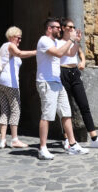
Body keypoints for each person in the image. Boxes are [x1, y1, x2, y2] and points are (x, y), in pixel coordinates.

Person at [35, 18, 89, 160]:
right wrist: (70, 41)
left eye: (60, 27)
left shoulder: (55, 42)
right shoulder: (44, 41)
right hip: (46, 82)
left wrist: (76, 41)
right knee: (47, 115)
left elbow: (71, 54)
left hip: (57, 82)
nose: (59, 29)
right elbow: (59, 54)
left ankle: (72, 144)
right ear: (49, 28)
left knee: (66, 112)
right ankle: (42, 148)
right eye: (57, 27)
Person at [59, 18, 98, 148]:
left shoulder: (73, 42)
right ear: (63, 28)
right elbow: (64, 53)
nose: (72, 29)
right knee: (66, 108)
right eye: (70, 27)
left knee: (84, 105)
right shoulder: (58, 42)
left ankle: (94, 138)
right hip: (62, 72)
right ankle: (67, 138)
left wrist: (82, 60)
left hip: (74, 73)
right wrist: (72, 40)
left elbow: (77, 53)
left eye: (73, 27)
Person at [0, 26, 37, 149]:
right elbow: (19, 53)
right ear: (12, 37)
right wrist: (36, 52)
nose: (19, 40)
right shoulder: (10, 45)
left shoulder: (3, 47)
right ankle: (14, 139)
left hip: (0, 82)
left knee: (4, 110)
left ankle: (2, 140)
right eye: (18, 38)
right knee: (15, 109)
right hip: (10, 83)